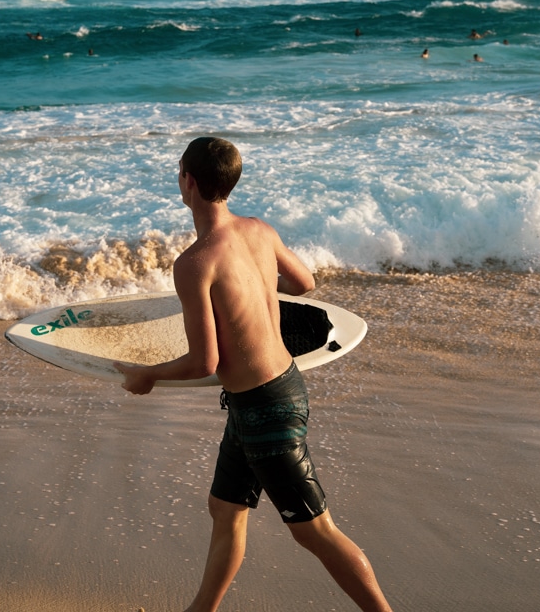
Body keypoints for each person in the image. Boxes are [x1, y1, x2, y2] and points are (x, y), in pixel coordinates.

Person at [114, 137, 393, 612]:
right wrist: (254, 287)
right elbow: (304, 284)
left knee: (316, 532)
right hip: (264, 397)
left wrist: (148, 375)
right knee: (226, 510)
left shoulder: (195, 263)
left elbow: (204, 363)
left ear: (189, 181)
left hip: (268, 409)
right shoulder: (260, 232)